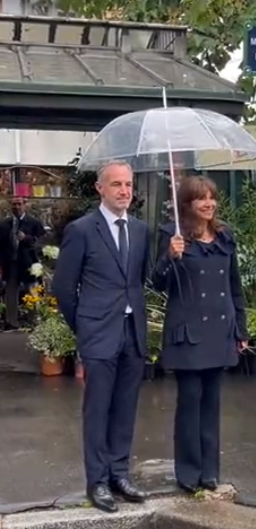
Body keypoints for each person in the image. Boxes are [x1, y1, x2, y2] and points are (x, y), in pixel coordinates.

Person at [52, 160, 150, 513]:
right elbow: (63, 287)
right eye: (116, 185)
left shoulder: (140, 230)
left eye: (128, 185)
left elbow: (139, 280)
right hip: (98, 334)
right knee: (97, 410)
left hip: (132, 332)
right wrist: (85, 326)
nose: (124, 191)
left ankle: (119, 474)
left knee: (125, 408)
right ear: (100, 189)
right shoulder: (81, 230)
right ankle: (97, 481)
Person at [152, 175, 247, 493]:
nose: (208, 203)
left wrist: (241, 328)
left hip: (219, 330)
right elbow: (156, 282)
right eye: (200, 198)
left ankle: (210, 471)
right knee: (190, 402)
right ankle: (188, 472)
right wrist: (171, 257)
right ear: (187, 205)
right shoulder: (172, 235)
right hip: (188, 333)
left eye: (211, 197)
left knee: (212, 403)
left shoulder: (225, 236)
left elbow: (234, 286)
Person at [0, 196, 45, 329]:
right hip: (11, 263)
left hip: (28, 263)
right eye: (14, 205)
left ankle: (34, 320)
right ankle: (11, 321)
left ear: (25, 205)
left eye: (19, 204)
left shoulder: (33, 222)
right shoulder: (5, 224)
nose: (17, 207)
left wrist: (26, 238)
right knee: (10, 293)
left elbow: (41, 242)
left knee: (31, 290)